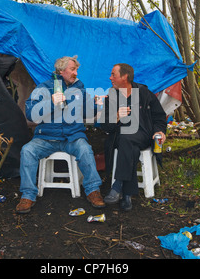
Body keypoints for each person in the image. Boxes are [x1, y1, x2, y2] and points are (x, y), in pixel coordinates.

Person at [16, 56, 105, 214]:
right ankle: (28, 195)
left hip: (72, 137)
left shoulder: (79, 88)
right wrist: (50, 102)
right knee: (27, 150)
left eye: (77, 70)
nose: (76, 73)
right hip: (46, 138)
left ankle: (93, 190)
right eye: (72, 70)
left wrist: (96, 105)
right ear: (61, 71)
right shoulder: (43, 88)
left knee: (85, 149)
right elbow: (30, 114)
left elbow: (86, 113)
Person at [101, 63, 167, 211]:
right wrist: (117, 116)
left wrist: (159, 131)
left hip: (144, 135)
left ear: (125, 77)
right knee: (128, 142)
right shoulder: (112, 97)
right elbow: (104, 126)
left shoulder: (144, 93)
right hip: (121, 139)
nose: (110, 77)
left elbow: (159, 117)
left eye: (113, 75)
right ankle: (126, 194)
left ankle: (118, 184)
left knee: (128, 139)